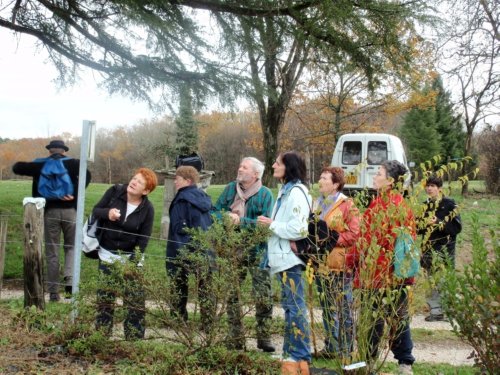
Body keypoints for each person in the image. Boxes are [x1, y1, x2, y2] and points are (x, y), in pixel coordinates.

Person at [346, 160, 416, 375]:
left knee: (374, 320)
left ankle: (368, 363)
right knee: (397, 318)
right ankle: (405, 363)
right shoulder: (403, 206)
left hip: (377, 275)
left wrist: (350, 261)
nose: (374, 176)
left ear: (390, 181)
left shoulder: (380, 207)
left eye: (379, 173)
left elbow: (366, 241)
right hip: (397, 276)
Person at [12, 139, 91, 302]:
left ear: (50, 151)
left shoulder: (40, 165)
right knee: (71, 248)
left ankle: (54, 292)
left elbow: (16, 167)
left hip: (50, 213)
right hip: (70, 212)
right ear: (64, 150)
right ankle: (70, 287)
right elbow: (88, 176)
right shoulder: (74, 163)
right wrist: (75, 193)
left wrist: (35, 166)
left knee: (52, 251)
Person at [257, 151, 312, 374]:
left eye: (277, 163)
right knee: (290, 308)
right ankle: (291, 353)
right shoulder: (286, 191)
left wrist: (272, 224)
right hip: (282, 259)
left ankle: (300, 355)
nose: (273, 165)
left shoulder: (297, 193)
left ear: (288, 167)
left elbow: (299, 229)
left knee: (295, 308)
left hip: (291, 260)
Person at [213, 157, 275, 352]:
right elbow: (213, 211)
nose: (239, 169)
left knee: (263, 295)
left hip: (258, 251)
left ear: (255, 174)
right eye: (240, 165)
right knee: (232, 294)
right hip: (231, 249)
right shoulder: (231, 189)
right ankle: (235, 337)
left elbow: (264, 225)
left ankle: (264, 338)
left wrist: (240, 221)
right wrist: (225, 217)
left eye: (244, 167)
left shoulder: (265, 195)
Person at [93, 167, 157, 340]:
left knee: (134, 300)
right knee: (105, 298)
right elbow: (96, 211)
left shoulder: (147, 209)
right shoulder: (115, 192)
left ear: (146, 190)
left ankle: (134, 339)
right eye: (134, 178)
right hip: (107, 255)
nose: (133, 182)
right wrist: (108, 213)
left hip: (131, 258)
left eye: (139, 182)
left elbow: (143, 239)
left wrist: (132, 263)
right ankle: (101, 337)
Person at [313, 167, 360, 359]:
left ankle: (346, 348)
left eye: (324, 178)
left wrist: (331, 239)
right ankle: (331, 346)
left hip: (339, 264)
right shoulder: (318, 204)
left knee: (343, 308)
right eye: (320, 177)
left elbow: (355, 233)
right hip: (320, 264)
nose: (320, 181)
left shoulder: (348, 205)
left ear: (335, 184)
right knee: (327, 307)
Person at [166, 166, 214, 326]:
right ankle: (208, 323)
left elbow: (179, 228)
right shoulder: (204, 197)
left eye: (177, 178)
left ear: (188, 181)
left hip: (182, 249)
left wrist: (181, 256)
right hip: (206, 249)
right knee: (206, 287)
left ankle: (178, 321)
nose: (175, 181)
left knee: (178, 284)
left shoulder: (181, 199)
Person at [418, 174, 462, 322]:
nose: (429, 189)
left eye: (432, 186)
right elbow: (418, 229)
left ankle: (451, 310)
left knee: (444, 280)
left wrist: (438, 222)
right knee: (431, 280)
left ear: (440, 189)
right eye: (427, 186)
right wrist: (423, 223)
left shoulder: (450, 205)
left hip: (444, 250)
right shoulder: (425, 206)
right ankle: (436, 311)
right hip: (428, 250)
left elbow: (456, 228)